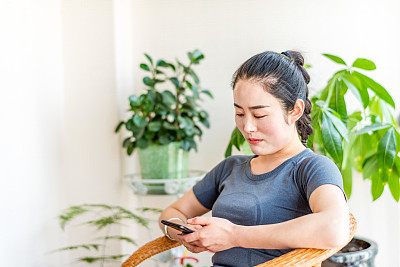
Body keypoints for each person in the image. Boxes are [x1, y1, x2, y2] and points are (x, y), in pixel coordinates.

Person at [158, 50, 349, 267]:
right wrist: (182, 232)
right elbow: (173, 212)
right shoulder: (230, 168)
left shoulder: (312, 168)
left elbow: (334, 227)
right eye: (240, 113)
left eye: (259, 115)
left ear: (295, 110)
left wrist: (234, 235)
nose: (247, 127)